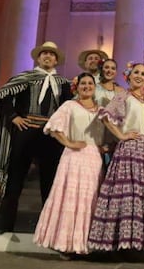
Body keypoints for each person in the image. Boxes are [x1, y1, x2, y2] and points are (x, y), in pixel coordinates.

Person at [0, 41, 73, 234]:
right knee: (15, 178)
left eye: (51, 54)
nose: (47, 56)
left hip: (50, 135)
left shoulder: (64, 84)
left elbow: (69, 107)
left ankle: (50, 228)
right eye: (44, 53)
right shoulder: (25, 78)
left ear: (56, 60)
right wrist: (13, 116)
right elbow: (3, 96)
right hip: (26, 132)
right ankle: (4, 224)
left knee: (50, 182)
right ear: (38, 58)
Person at [87, 62, 144, 258]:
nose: (139, 76)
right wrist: (121, 135)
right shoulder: (123, 96)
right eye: (136, 72)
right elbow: (105, 116)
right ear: (128, 76)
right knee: (129, 195)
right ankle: (125, 242)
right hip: (130, 150)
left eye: (143, 73)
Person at [33, 73, 109, 258]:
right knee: (71, 198)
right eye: (83, 83)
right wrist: (69, 143)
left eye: (90, 83)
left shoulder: (101, 110)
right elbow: (53, 126)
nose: (87, 86)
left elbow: (109, 131)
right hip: (74, 157)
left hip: (94, 158)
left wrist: (102, 146)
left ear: (95, 87)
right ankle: (65, 244)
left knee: (90, 200)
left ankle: (85, 244)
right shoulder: (70, 105)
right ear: (77, 86)